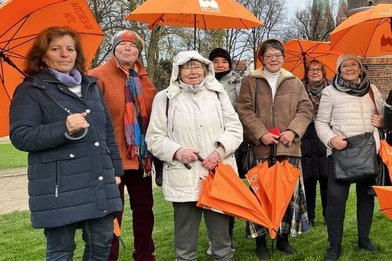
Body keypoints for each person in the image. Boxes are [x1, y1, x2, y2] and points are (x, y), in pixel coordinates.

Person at [9, 26, 122, 260]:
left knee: (102, 245)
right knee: (61, 252)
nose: (64, 54)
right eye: (56, 48)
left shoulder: (91, 87)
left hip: (98, 181)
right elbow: (21, 136)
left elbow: (107, 131)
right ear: (42, 55)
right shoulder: (30, 91)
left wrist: (116, 170)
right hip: (59, 188)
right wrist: (64, 129)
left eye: (70, 48)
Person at [145, 50, 243, 260]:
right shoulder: (165, 98)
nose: (192, 71)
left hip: (216, 176)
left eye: (197, 66)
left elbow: (235, 129)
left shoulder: (218, 93)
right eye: (187, 66)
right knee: (185, 245)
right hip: (184, 178)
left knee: (222, 243)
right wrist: (178, 151)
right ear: (178, 70)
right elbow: (154, 138)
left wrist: (219, 151)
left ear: (205, 69)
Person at [236, 39, 313, 260]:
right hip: (262, 149)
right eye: (269, 55)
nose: (273, 59)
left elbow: (305, 109)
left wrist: (292, 131)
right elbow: (244, 110)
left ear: (283, 57)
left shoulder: (294, 82)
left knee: (287, 196)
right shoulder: (251, 81)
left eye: (277, 55)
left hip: (288, 148)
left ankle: (283, 239)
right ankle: (261, 241)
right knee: (261, 196)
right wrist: (261, 133)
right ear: (262, 58)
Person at [89, 30, 156, 261]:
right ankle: (109, 256)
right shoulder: (97, 76)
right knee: (111, 215)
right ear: (114, 48)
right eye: (123, 44)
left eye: (133, 46)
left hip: (140, 161)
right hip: (110, 161)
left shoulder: (145, 81)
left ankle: (145, 255)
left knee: (144, 212)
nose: (128, 48)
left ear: (139, 52)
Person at [315, 53, 384, 261]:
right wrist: (331, 139)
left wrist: (381, 123)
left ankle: (364, 239)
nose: (350, 68)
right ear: (339, 69)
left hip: (368, 150)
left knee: (366, 197)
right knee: (336, 199)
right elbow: (320, 123)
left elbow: (384, 116)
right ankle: (334, 245)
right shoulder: (329, 92)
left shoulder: (372, 90)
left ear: (360, 68)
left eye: (354, 64)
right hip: (341, 151)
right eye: (345, 65)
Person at [206, 47, 243, 254]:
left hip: (228, 143)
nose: (220, 65)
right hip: (204, 144)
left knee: (227, 195)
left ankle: (227, 238)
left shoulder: (237, 83)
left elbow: (241, 109)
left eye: (224, 61)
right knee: (209, 195)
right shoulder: (202, 82)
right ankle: (215, 239)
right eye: (215, 61)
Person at [301, 59, 329, 226]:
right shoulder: (300, 88)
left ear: (323, 73)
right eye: (311, 69)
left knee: (326, 178)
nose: (315, 72)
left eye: (318, 69)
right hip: (307, 135)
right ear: (307, 72)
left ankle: (328, 215)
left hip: (325, 134)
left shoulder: (331, 89)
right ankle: (309, 216)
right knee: (308, 178)